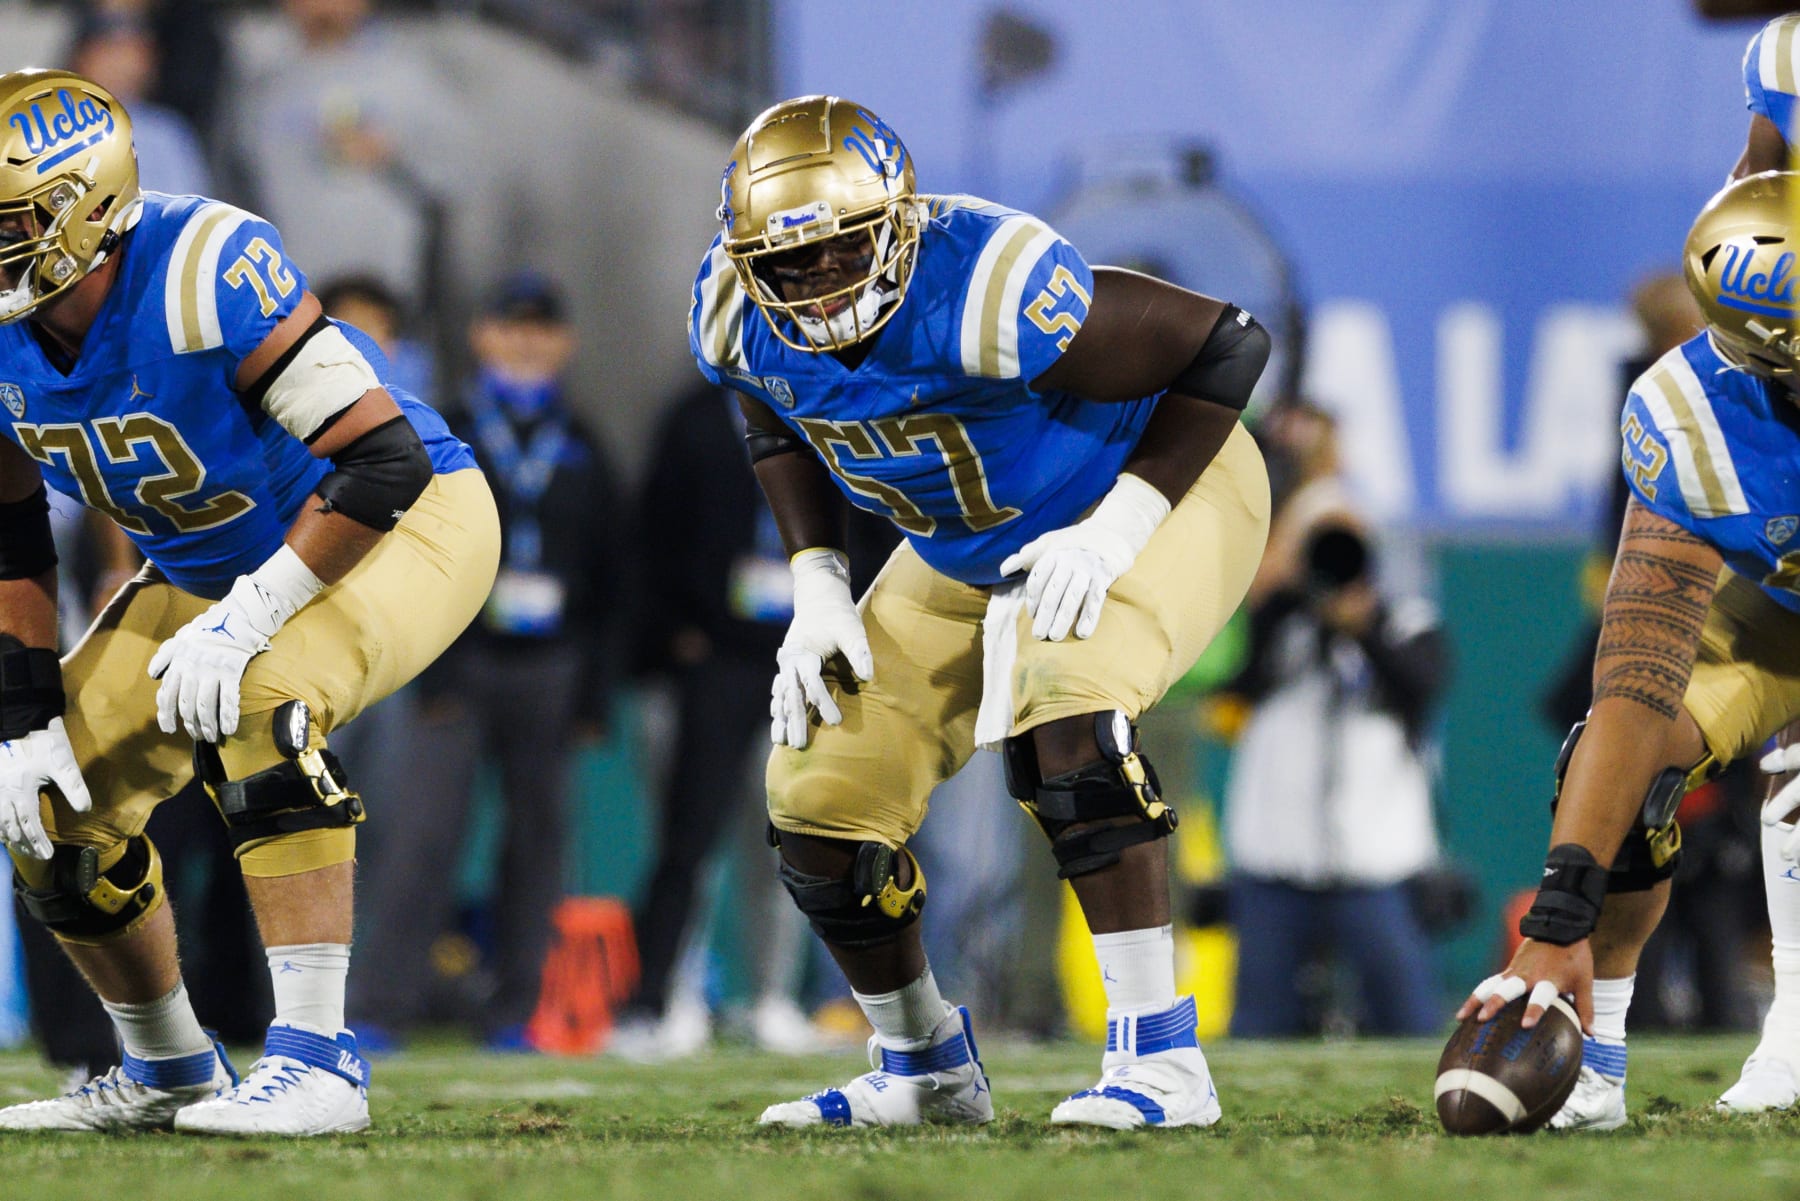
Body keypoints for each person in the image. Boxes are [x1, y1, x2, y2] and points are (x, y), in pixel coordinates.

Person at [689, 96, 1271, 1129]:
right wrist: (818, 580)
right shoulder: (734, 312)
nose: (820, 281)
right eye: (790, 263)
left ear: (900, 224)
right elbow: (774, 412)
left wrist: (1118, 529)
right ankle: (926, 1068)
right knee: (820, 783)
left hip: (1146, 489)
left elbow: (1228, 344)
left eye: (843, 249)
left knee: (1069, 713)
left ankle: (1163, 1059)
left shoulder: (990, 283)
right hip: (965, 543)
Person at [0, 69, 498, 1135]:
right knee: (52, 807)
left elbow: (382, 460)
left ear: (88, 204)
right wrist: (22, 712)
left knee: (260, 692)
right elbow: (8, 534)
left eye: (10, 221)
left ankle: (320, 1061)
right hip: (207, 565)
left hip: (399, 523)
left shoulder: (202, 265)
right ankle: (169, 1066)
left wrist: (250, 614)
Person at [1457, 170, 1800, 1131]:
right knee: (1618, 765)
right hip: (1779, 605)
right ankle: (1597, 1058)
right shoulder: (1689, 418)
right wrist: (1555, 919)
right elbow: (1638, 681)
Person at [347, 271, 621, 1051]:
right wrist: (427, 666)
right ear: (481, 336)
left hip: (552, 667)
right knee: (422, 838)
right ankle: (379, 1004)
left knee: (537, 845)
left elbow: (613, 575)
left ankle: (518, 1008)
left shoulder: (584, 439)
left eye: (541, 328)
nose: (526, 342)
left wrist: (594, 694)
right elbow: (407, 547)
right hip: (457, 664)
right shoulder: (447, 427)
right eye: (511, 326)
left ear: (564, 342)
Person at [1224, 518, 1449, 1038]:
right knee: (1260, 1023)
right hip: (1275, 860)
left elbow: (1423, 684)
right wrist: (1277, 594)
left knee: (1408, 1018)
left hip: (1375, 866)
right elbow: (1238, 683)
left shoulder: (1405, 622)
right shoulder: (1284, 620)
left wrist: (1363, 628)